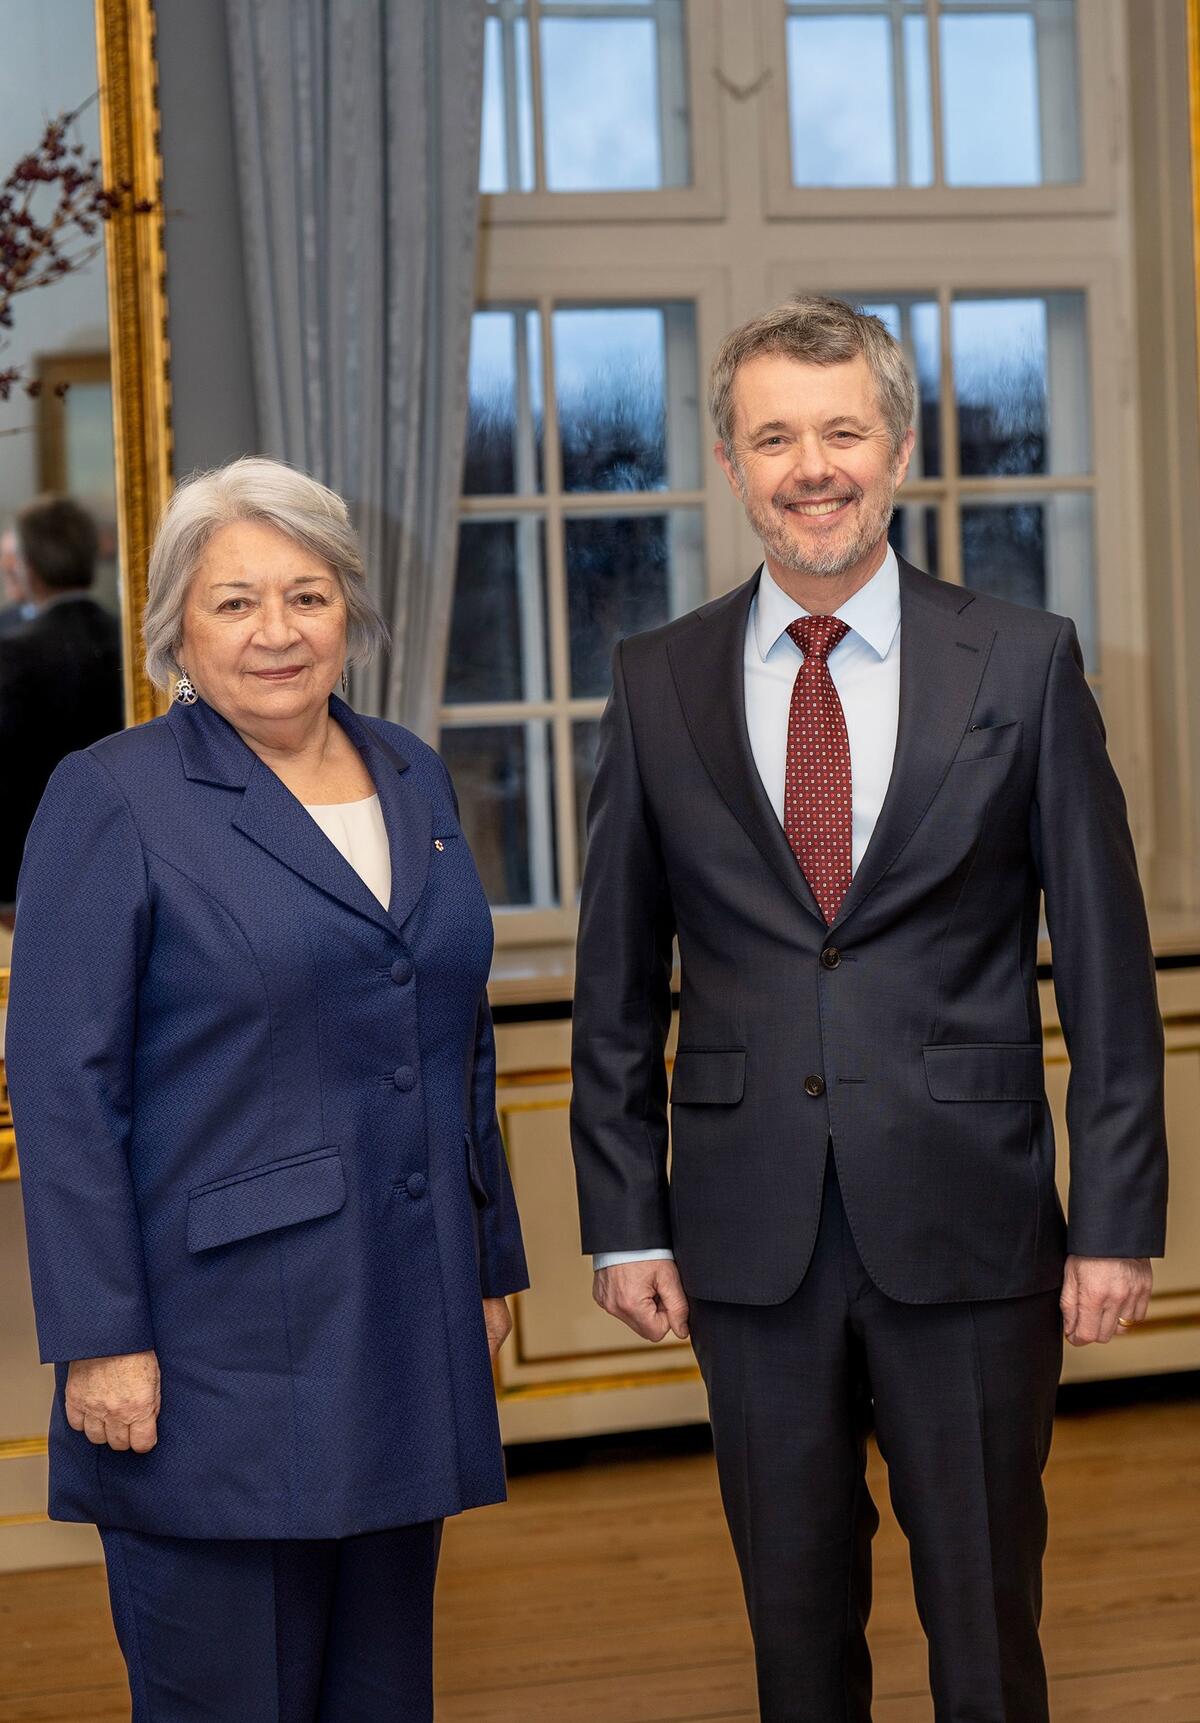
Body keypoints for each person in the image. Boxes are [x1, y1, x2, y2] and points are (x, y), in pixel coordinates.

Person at [570, 297, 1167, 1721]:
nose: (812, 467)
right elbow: (614, 980)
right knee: (792, 1626)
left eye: (842, 431)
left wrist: (1116, 1220)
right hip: (746, 1233)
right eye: (774, 437)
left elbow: (1106, 964)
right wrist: (625, 1215)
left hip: (973, 1216)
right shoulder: (657, 679)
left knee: (986, 1622)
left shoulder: (1022, 659)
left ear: (897, 448)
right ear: (731, 462)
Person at [7, 456, 528, 1722]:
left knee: (383, 1696)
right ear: (176, 629)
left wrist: (486, 1262)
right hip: (216, 1358)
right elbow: (63, 1086)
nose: (277, 631)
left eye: (307, 594)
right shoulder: (114, 794)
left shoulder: (412, 773)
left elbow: (452, 1029)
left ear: (350, 609)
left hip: (402, 1325)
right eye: (235, 601)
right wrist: (100, 1338)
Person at [0, 495, 123, 903]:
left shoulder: (12, 653)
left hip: (31, 863)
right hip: (119, 851)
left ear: (27, 567)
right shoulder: (129, 639)